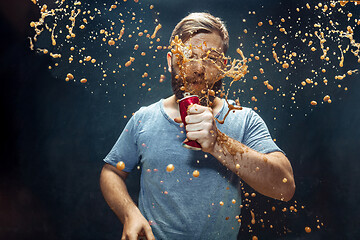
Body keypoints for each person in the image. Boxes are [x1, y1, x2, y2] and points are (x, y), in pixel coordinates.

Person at [100, 12, 295, 240]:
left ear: (223, 66)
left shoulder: (244, 119)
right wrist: (129, 213)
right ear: (171, 61)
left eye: (211, 58)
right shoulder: (145, 118)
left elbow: (285, 187)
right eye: (188, 55)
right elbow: (111, 172)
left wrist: (218, 142)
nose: (198, 68)